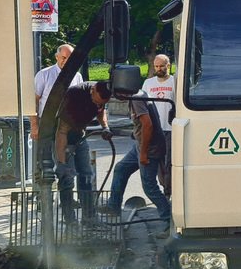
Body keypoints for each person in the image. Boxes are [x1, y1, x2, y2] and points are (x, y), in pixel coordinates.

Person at [102, 90, 171, 236]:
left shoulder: (136, 100)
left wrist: (144, 153)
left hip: (150, 148)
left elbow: (148, 125)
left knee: (149, 187)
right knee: (121, 169)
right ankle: (113, 208)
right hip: (140, 146)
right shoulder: (138, 95)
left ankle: (169, 221)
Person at [55, 81, 112, 223]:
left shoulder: (102, 92)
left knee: (86, 175)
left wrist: (105, 127)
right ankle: (70, 221)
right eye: (96, 101)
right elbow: (61, 131)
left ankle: (89, 217)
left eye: (101, 103)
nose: (98, 105)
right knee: (67, 179)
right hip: (63, 137)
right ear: (92, 90)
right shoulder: (74, 95)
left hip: (80, 135)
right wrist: (62, 163)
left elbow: (100, 111)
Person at [142, 54, 174, 197]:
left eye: (161, 66)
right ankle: (164, 188)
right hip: (154, 129)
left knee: (169, 162)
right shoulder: (148, 83)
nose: (158, 69)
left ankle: (168, 192)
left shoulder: (176, 82)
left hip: (170, 128)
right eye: (156, 66)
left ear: (169, 65)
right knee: (158, 162)